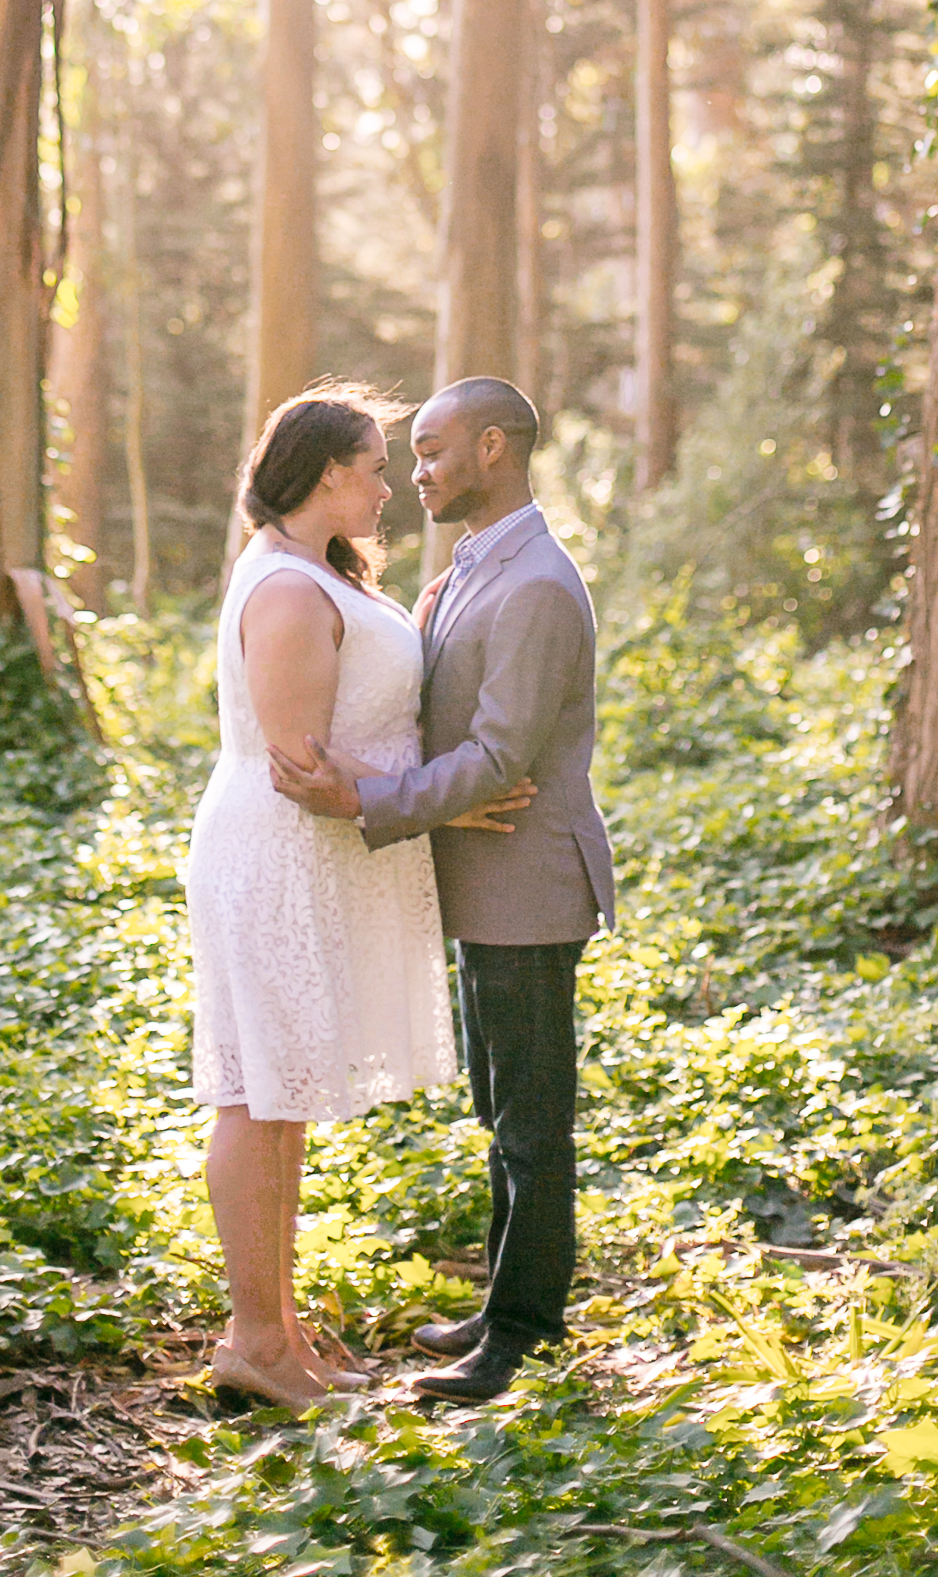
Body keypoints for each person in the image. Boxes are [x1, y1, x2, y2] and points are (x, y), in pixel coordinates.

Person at [185, 381, 533, 1408]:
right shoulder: (289, 590)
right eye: (377, 466)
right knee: (257, 1096)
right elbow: (302, 769)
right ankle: (254, 1341)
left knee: (281, 1096)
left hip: (314, 860)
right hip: (279, 859)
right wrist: (433, 808)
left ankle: (279, 1331)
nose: (391, 485)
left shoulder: (311, 570)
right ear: (330, 472)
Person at [270, 377, 615, 1404]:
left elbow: (501, 751)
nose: (414, 474)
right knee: (500, 1103)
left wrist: (365, 799)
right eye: (408, 458)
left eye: (430, 452)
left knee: (531, 1116)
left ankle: (520, 1334)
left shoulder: (537, 586)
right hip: (483, 881)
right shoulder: (474, 570)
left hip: (529, 881)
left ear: (495, 448)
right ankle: (509, 1300)